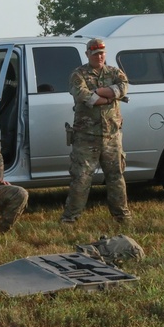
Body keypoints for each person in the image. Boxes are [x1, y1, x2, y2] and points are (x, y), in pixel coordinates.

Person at [61, 38, 131, 224]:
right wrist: (109, 97)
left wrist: (100, 92)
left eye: (101, 53)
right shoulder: (78, 74)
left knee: (116, 177)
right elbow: (85, 97)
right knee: (81, 179)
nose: (99, 57)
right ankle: (70, 219)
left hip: (112, 136)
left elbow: (123, 88)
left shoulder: (115, 72)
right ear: (87, 55)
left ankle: (122, 217)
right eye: (95, 54)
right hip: (86, 137)